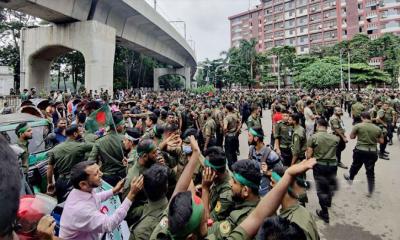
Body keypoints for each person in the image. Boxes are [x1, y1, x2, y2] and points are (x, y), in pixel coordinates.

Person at [59, 160, 144, 239]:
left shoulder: (80, 191)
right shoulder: (81, 210)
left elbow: (95, 197)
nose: (101, 174)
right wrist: (131, 194)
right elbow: (109, 224)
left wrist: (113, 191)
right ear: (83, 184)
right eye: (96, 174)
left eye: (99, 170)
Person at [205, 159, 261, 239]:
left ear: (245, 190)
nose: (230, 183)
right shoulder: (259, 203)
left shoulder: (240, 218)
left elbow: (208, 231)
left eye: (234, 182)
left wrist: (205, 189)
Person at [46, 125, 94, 203]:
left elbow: (49, 168)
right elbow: (96, 146)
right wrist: (83, 138)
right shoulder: (80, 146)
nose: (81, 133)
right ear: (75, 134)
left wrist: (50, 183)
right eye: (79, 131)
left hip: (60, 181)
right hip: (74, 182)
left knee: (62, 206)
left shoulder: (55, 148)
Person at [271, 168, 320, 240]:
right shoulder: (302, 210)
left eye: (272, 182)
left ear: (283, 187)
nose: (270, 185)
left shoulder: (291, 227)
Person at [344, 111, 384, 197]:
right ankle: (370, 191)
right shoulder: (377, 128)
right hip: (372, 152)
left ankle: (350, 179)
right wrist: (373, 139)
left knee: (355, 166)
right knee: (370, 171)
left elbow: (351, 137)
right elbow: (381, 141)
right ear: (369, 117)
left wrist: (360, 135)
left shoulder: (358, 126)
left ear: (362, 117)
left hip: (360, 150)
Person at [307, 118, 339, 223]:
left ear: (317, 125)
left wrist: (308, 161)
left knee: (321, 189)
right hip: (333, 165)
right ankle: (328, 201)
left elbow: (309, 154)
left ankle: (324, 212)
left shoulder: (313, 137)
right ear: (327, 127)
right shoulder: (335, 138)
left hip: (320, 165)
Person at [129, 164, 169, 240]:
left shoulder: (139, 232)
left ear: (143, 188)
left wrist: (131, 193)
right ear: (166, 187)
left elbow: (129, 215)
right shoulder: (169, 207)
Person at [88, 112, 126, 186]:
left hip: (107, 176)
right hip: (123, 174)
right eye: (123, 124)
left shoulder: (99, 141)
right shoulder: (125, 140)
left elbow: (90, 161)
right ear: (117, 126)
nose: (124, 126)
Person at [248, 127, 282, 196]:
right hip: (254, 190)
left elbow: (280, 173)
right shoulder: (251, 150)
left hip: (266, 193)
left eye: (249, 135)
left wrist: (267, 172)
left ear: (256, 138)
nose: (248, 138)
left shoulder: (271, 155)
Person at [203, 146, 234, 221]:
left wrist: (205, 189)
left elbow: (206, 221)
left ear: (213, 172)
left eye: (205, 168)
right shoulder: (220, 175)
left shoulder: (227, 195)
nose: (203, 171)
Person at [223, 103, 241, 169]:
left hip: (229, 137)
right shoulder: (234, 115)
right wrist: (236, 131)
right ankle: (236, 165)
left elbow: (225, 127)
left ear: (227, 109)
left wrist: (225, 133)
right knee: (234, 152)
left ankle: (231, 168)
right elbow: (239, 123)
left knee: (228, 153)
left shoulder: (226, 118)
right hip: (235, 136)